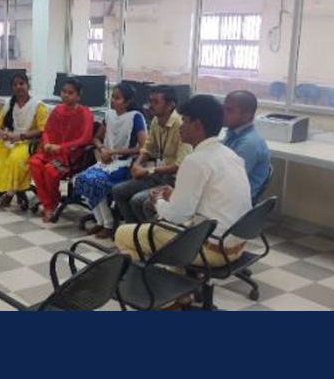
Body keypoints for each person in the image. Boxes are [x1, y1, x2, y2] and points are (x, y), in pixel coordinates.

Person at [114, 94, 252, 270]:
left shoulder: (195, 161)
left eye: (184, 120)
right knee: (173, 229)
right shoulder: (230, 155)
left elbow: (176, 216)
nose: (180, 126)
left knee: (122, 234)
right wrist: (175, 195)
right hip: (235, 246)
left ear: (197, 124)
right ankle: (178, 280)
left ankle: (151, 282)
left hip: (211, 251)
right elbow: (208, 199)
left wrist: (158, 201)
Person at [74, 83, 147, 239]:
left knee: (96, 181)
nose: (112, 100)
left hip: (125, 163)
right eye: (112, 96)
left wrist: (113, 152)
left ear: (127, 102)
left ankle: (109, 224)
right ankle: (100, 221)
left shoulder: (135, 117)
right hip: (107, 160)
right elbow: (96, 138)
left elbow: (142, 148)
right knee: (82, 179)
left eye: (117, 98)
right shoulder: (109, 115)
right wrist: (102, 149)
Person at [112, 86, 191, 224]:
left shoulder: (181, 125)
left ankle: (145, 233)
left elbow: (180, 166)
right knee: (118, 190)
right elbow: (147, 148)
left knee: (138, 200)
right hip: (159, 174)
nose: (150, 106)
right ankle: (132, 230)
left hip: (174, 180)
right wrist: (137, 165)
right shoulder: (156, 120)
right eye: (150, 101)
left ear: (170, 105)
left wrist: (148, 170)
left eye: (155, 102)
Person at [28, 78, 94, 222]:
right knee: (34, 163)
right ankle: (49, 202)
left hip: (70, 157)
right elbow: (46, 131)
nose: (66, 95)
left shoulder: (85, 113)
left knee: (50, 170)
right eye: (64, 91)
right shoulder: (57, 110)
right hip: (51, 153)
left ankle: (50, 205)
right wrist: (46, 143)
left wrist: (61, 147)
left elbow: (85, 138)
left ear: (78, 96)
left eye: (70, 93)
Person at [0, 72, 47, 208]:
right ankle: (4, 187)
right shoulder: (9, 103)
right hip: (9, 139)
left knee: (15, 160)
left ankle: (10, 193)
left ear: (28, 85)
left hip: (28, 142)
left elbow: (42, 130)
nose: (18, 87)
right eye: (15, 84)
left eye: (21, 83)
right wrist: (2, 133)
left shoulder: (38, 105)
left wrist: (20, 136)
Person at [223, 90, 271, 200]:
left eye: (229, 110)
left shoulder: (249, 144)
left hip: (236, 200)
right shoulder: (233, 133)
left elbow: (228, 180)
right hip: (228, 193)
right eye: (223, 108)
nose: (223, 113)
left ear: (246, 117)